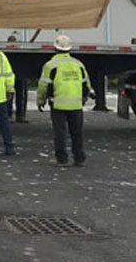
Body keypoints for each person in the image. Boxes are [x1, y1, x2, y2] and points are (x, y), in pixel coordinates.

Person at [36, 34, 93, 167]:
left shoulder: (50, 65)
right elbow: (86, 83)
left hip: (58, 104)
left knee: (60, 133)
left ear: (55, 48)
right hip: (76, 104)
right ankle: (79, 158)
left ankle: (62, 159)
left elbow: (43, 85)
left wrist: (40, 100)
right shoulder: (78, 64)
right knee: (77, 133)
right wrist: (85, 97)